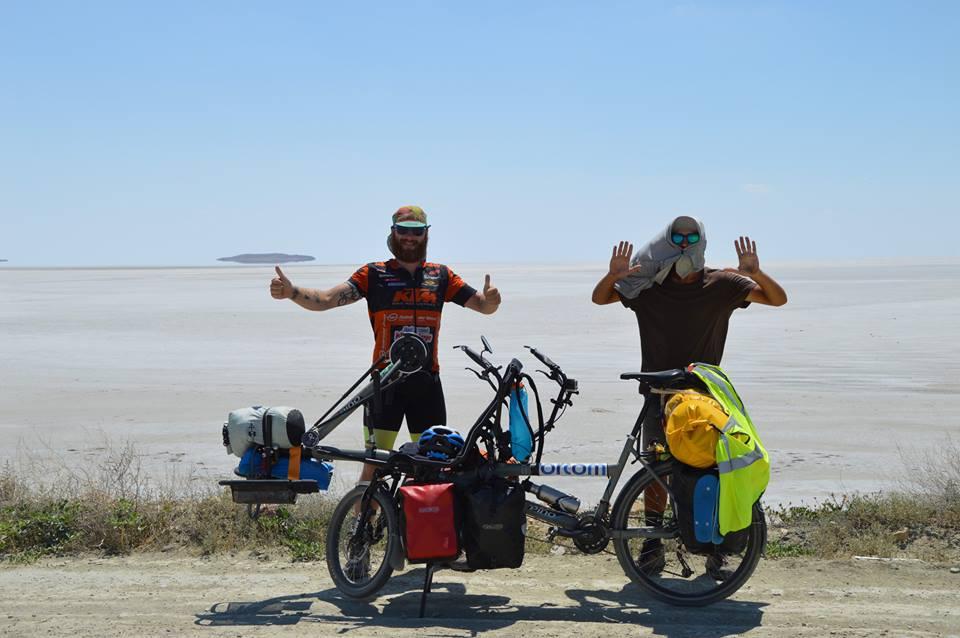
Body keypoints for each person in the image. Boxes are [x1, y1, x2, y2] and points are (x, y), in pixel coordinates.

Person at [591, 215, 787, 576]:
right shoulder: (648, 286)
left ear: (702, 241)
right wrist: (613, 276)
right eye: (677, 237)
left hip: (705, 398)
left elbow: (777, 299)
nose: (684, 245)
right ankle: (652, 544)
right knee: (655, 471)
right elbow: (600, 298)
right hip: (659, 394)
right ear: (665, 242)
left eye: (691, 237)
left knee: (716, 469)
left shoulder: (722, 283)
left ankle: (718, 548)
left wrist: (755, 273)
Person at [270, 205, 501, 486]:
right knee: (374, 467)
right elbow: (327, 299)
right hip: (384, 386)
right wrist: (292, 292)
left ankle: (413, 514)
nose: (409, 237)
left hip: (427, 385)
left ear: (426, 234)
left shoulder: (441, 276)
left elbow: (482, 306)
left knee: (432, 465)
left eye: (416, 231)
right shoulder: (374, 274)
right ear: (393, 232)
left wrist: (491, 301)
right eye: (403, 230)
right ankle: (363, 514)